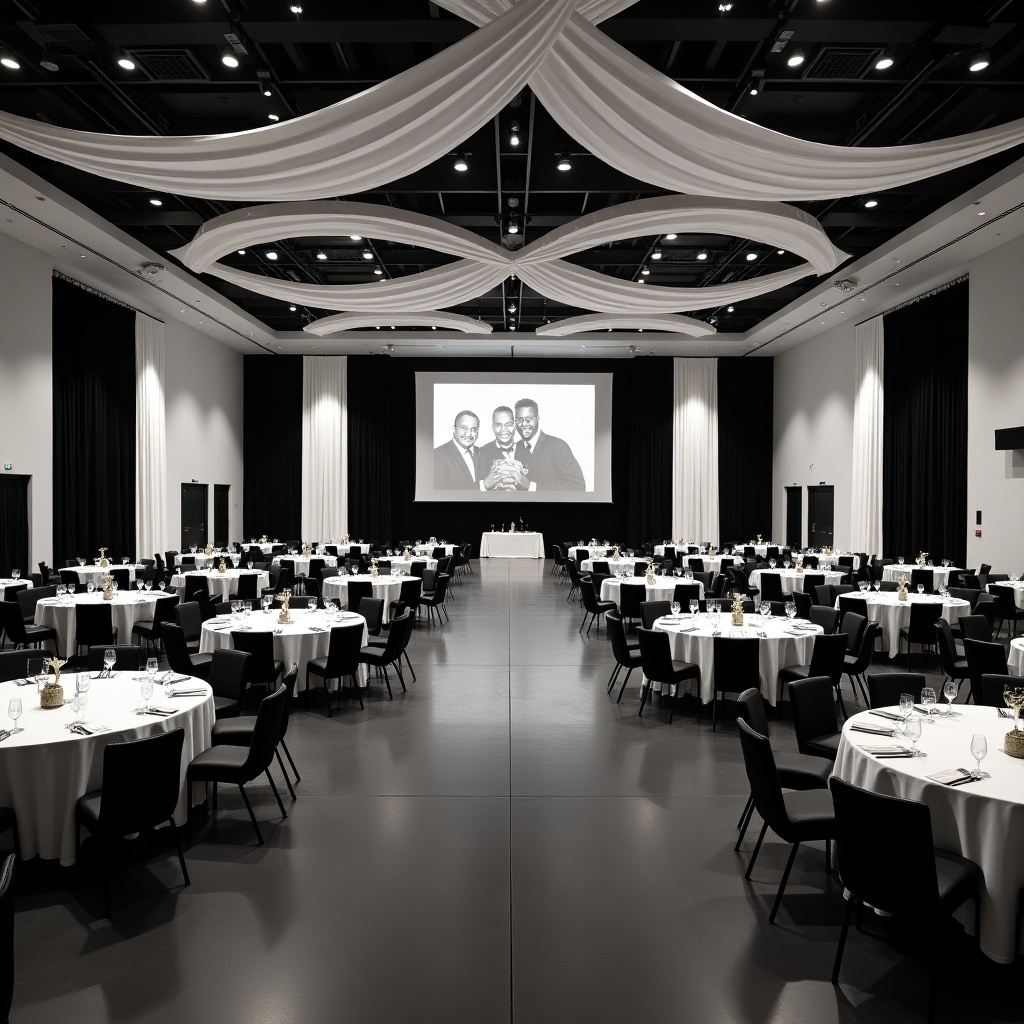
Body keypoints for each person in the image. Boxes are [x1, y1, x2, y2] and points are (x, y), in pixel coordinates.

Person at [504, 398, 586, 491]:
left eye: (529, 419)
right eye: (519, 419)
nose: (524, 424)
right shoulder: (515, 447)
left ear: (538, 419)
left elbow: (578, 486)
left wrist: (531, 487)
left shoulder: (558, 446)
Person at [477, 405, 526, 492]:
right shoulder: (483, 452)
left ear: (515, 426)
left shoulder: (527, 450)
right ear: (493, 428)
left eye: (508, 425)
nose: (503, 429)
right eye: (498, 425)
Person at [433, 410, 482, 489]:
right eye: (463, 428)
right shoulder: (437, 455)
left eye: (473, 429)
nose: (469, 434)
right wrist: (483, 485)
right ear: (454, 429)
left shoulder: (481, 452)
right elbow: (442, 494)